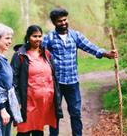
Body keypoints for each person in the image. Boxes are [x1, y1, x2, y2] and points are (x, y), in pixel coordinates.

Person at [42, 8, 118, 136]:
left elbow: (90, 47)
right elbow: (38, 54)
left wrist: (107, 54)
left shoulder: (75, 35)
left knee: (76, 113)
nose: (63, 23)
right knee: (54, 114)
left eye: (65, 19)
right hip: (55, 83)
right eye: (59, 21)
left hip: (73, 82)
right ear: (54, 22)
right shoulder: (48, 38)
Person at [11, 25, 63, 136]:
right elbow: (13, 80)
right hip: (27, 103)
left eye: (40, 36)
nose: (38, 39)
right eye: (35, 36)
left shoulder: (47, 54)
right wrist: (17, 101)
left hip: (44, 103)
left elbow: (53, 77)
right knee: (23, 131)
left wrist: (56, 98)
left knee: (39, 131)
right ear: (28, 37)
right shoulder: (20, 55)